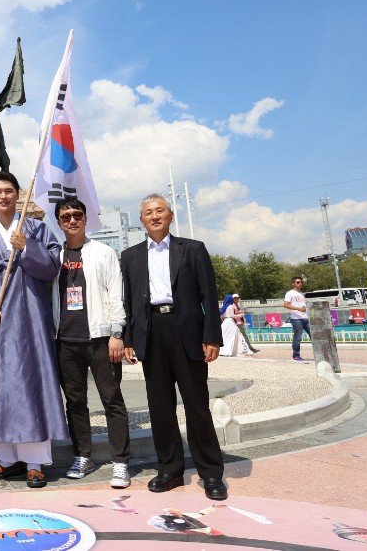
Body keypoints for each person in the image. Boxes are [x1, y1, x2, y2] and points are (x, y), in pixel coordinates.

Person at [120, 193, 227, 501]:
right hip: (151, 331)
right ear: (141, 221)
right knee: (160, 407)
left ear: (170, 216)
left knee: (196, 404)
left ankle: (211, 473)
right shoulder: (130, 256)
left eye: (160, 211)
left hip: (187, 330)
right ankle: (170, 469)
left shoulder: (192, 249)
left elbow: (209, 294)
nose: (155, 216)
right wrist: (128, 339)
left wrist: (212, 336)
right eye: (148, 213)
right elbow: (128, 302)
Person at [0, 172, 68, 488]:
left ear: (17, 194)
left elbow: (52, 267)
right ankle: (7, 458)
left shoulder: (35, 229)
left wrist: (27, 248)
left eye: (9, 191)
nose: (3, 197)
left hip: (30, 319)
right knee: (1, 388)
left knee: (29, 385)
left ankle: (36, 461)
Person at [50, 198, 131, 488]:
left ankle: (121, 461)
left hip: (99, 338)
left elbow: (114, 293)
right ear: (58, 222)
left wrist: (116, 333)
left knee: (112, 400)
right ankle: (83, 455)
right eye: (65, 217)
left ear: (85, 218)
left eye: (77, 215)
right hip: (66, 340)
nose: (72, 220)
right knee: (75, 402)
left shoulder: (103, 252)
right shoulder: (54, 255)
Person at [284, 277, 311, 361]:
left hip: (305, 317)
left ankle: (320, 353)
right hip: (296, 319)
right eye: (298, 282)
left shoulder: (302, 294)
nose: (300, 284)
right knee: (298, 338)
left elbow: (303, 305)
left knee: (314, 335)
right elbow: (285, 305)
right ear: (293, 284)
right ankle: (296, 355)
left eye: (301, 282)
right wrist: (298, 309)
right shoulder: (290, 293)